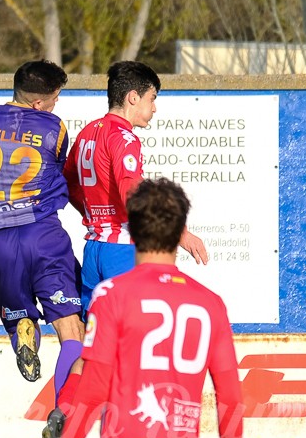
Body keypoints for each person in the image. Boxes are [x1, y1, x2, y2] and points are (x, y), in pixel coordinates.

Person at [48, 178, 243, 438]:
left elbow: (93, 388)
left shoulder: (112, 294)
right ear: (180, 231)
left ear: (131, 229)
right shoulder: (210, 304)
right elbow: (230, 396)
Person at [0, 59, 87, 438]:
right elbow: (62, 173)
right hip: (43, 234)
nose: (56, 105)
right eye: (55, 98)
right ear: (38, 103)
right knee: (72, 332)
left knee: (18, 316)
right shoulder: (54, 127)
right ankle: (64, 425)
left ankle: (22, 332)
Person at [65, 60, 208, 308]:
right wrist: (179, 233)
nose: (154, 108)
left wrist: (94, 214)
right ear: (133, 97)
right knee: (134, 322)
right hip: (122, 248)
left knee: (95, 325)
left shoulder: (88, 132)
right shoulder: (124, 137)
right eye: (152, 99)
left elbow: (68, 183)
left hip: (94, 248)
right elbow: (132, 194)